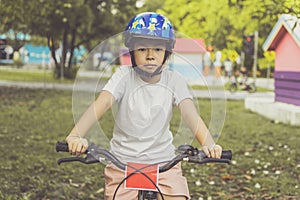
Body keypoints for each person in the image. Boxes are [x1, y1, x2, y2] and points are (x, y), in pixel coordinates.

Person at [65, 12, 222, 200]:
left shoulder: (174, 80)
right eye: (142, 49)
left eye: (157, 49)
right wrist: (76, 135)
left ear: (167, 53)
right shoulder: (123, 76)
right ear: (131, 52)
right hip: (123, 162)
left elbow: (190, 114)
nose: (150, 56)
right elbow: (103, 102)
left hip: (164, 163)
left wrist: (208, 143)